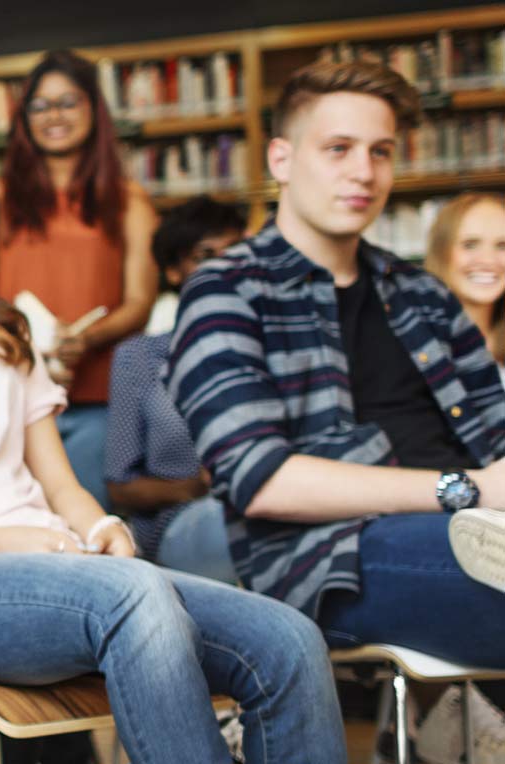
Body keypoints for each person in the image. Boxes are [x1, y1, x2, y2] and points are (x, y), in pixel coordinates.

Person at [0, 93, 344, 763]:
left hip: (49, 559)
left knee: (287, 640)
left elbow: (58, 480)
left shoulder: (1, 330)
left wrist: (100, 527)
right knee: (136, 598)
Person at [168, 61, 505, 673]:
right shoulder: (227, 290)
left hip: (485, 530)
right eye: (338, 149)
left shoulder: (424, 295)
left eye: (380, 151)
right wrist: (466, 489)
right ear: (281, 160)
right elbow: (259, 479)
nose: (364, 172)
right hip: (334, 557)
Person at [0, 50, 159, 511]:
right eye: (40, 106)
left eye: (68, 102)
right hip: (9, 399)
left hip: (98, 402)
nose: (54, 116)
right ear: (23, 117)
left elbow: (139, 301)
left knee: (88, 529)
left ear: (93, 109)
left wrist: (82, 339)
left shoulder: (129, 200)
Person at [104, 197, 244, 583]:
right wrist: (196, 486)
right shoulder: (141, 358)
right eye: (205, 255)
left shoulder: (268, 349)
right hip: (183, 520)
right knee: (234, 524)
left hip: (266, 510)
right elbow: (120, 488)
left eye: (235, 252)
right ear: (173, 271)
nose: (224, 266)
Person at [425, 192, 505, 373]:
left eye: (502, 246)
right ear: (441, 253)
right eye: (470, 244)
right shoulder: (418, 344)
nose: (488, 260)